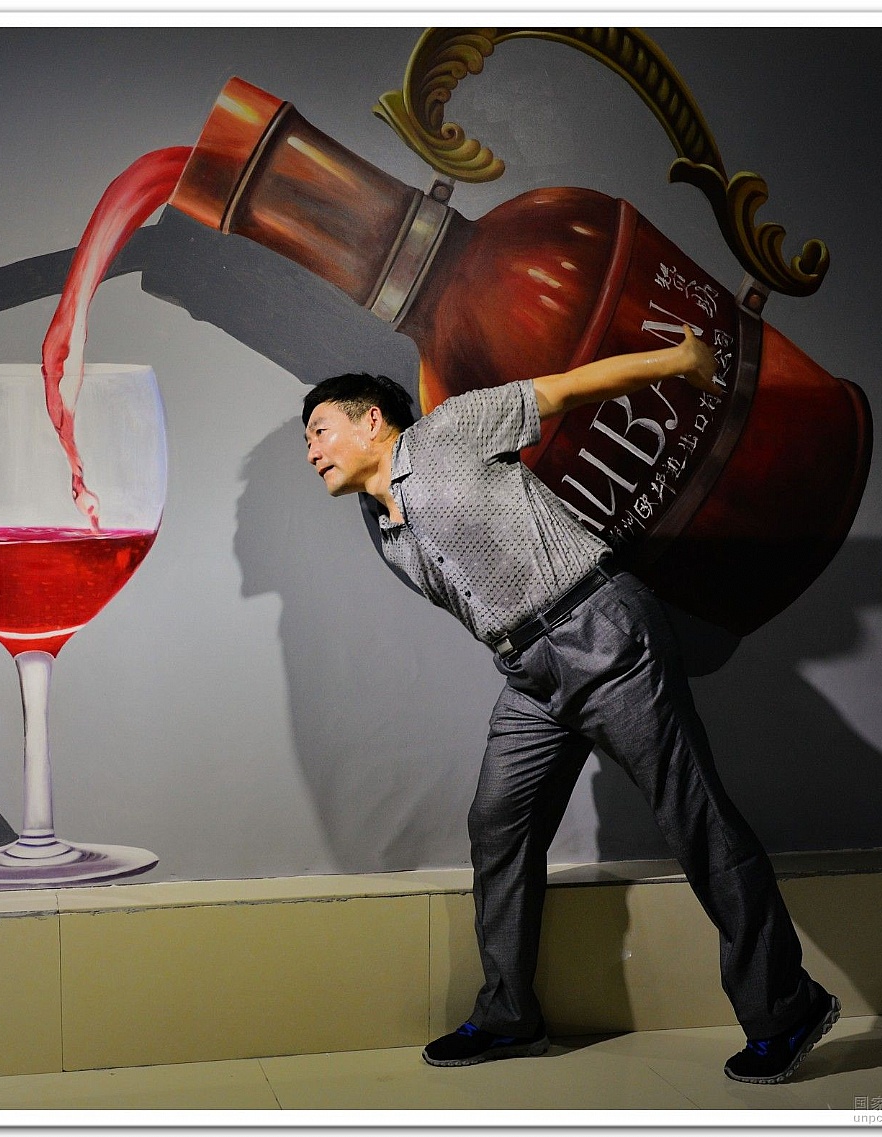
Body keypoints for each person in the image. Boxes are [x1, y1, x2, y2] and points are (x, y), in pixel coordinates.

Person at [301, 327, 838, 1085]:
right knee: (498, 824)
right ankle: (509, 1016)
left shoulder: (450, 431)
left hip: (600, 632)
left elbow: (567, 388)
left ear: (370, 420)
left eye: (320, 430)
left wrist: (679, 361)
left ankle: (787, 1007)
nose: (313, 451)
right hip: (530, 672)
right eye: (307, 441)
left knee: (695, 818)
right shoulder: (378, 523)